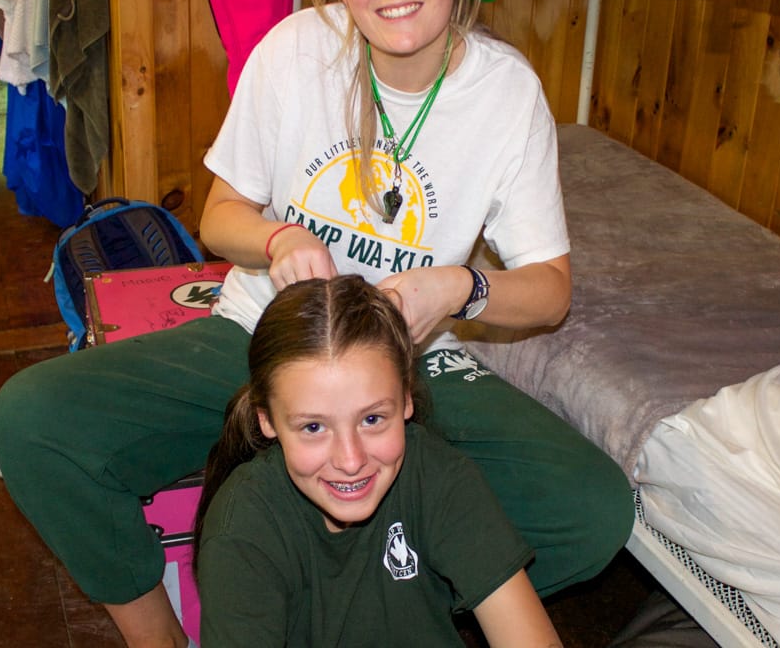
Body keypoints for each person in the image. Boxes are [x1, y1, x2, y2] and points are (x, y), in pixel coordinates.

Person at [0, 0, 632, 648]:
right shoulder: (294, 54)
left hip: (407, 361)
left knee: (591, 509)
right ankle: (158, 635)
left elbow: (548, 292)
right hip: (258, 335)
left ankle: (386, 599)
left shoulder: (507, 94)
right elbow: (221, 213)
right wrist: (279, 239)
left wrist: (457, 289)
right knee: (31, 419)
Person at [195, 275, 563, 647]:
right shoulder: (243, 530)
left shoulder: (438, 475)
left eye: (372, 419)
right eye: (313, 427)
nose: (351, 460)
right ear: (267, 421)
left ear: (406, 399)